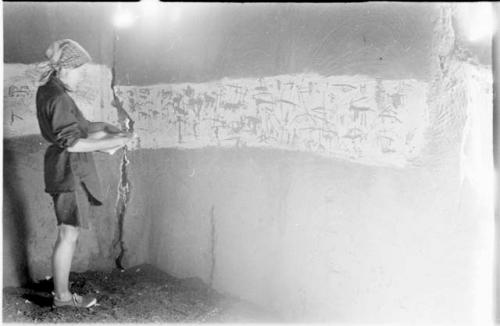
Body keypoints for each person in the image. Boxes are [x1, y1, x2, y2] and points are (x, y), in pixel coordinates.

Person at [35, 39, 135, 308]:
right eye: (80, 69)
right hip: (68, 171)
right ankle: (63, 298)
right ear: (64, 69)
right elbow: (73, 142)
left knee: (69, 233)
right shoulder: (57, 97)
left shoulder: (51, 91)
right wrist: (114, 142)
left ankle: (61, 292)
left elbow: (82, 126)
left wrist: (110, 129)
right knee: (68, 234)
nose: (83, 75)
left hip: (64, 169)